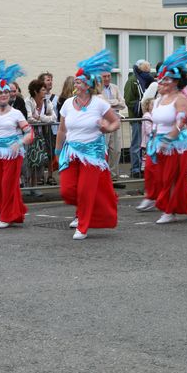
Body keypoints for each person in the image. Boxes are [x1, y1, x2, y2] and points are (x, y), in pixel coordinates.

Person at [56, 50, 120, 240]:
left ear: (89, 84)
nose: (76, 83)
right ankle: (87, 209)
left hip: (92, 154)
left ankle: (82, 227)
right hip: (71, 151)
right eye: (76, 81)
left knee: (85, 191)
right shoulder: (68, 103)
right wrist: (57, 151)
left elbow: (115, 122)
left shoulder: (98, 104)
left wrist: (106, 128)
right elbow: (61, 129)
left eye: (80, 81)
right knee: (67, 190)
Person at [136, 47, 187, 223]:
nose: (162, 82)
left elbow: (180, 122)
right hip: (159, 142)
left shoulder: (181, 99)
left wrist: (168, 138)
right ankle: (178, 202)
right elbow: (155, 123)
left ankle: (169, 211)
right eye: (161, 79)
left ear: (176, 82)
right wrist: (153, 140)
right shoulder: (158, 100)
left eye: (166, 79)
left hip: (175, 144)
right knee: (160, 178)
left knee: (171, 178)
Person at [0, 64, 33, 228]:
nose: (3, 95)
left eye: (6, 92)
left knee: (8, 185)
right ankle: (13, 213)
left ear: (10, 95)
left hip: (13, 153)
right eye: (0, 92)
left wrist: (20, 143)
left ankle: (6, 216)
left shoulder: (16, 113)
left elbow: (30, 133)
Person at [124, 59, 155, 179]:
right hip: (137, 117)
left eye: (148, 71)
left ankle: (144, 167)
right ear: (139, 69)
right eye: (145, 71)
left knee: (146, 143)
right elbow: (128, 100)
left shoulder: (148, 81)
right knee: (136, 144)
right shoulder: (132, 81)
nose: (147, 74)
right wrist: (141, 105)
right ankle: (135, 169)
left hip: (147, 116)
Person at [25, 78, 55, 194]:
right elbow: (29, 118)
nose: (45, 91)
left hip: (43, 134)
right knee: (29, 161)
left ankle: (35, 186)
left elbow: (54, 118)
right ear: (36, 91)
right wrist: (42, 120)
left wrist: (40, 118)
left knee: (39, 161)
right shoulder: (28, 101)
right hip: (29, 134)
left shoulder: (47, 102)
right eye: (43, 89)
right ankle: (28, 186)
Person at [98, 72, 126, 182]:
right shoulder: (97, 88)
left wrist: (108, 103)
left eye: (109, 76)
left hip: (115, 120)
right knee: (104, 149)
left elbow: (123, 104)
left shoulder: (115, 87)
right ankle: (102, 176)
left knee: (116, 150)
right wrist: (115, 103)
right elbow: (101, 104)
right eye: (104, 76)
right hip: (104, 122)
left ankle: (113, 176)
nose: (107, 78)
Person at [38, 72, 59, 185]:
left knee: (51, 153)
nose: (50, 82)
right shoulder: (37, 97)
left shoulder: (55, 98)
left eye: (51, 80)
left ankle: (50, 176)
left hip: (52, 129)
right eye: (47, 80)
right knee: (41, 152)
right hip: (40, 129)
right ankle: (40, 176)